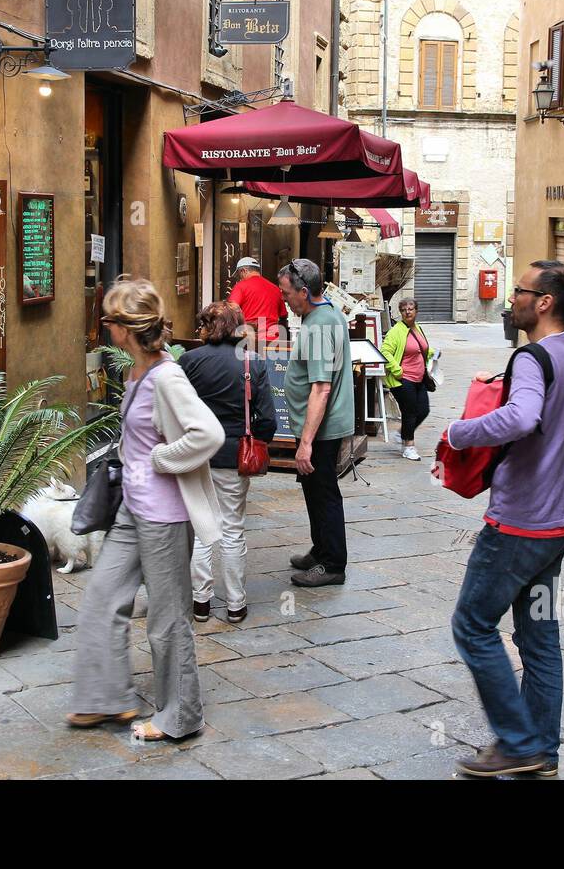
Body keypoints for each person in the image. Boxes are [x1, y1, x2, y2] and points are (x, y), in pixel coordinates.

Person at [446, 260, 564, 778]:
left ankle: (517, 742)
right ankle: (541, 756)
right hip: (561, 521)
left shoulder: (532, 357)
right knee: (539, 639)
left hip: (522, 522)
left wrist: (461, 432)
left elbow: (523, 417)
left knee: (472, 624)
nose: (512, 300)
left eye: (521, 292)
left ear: (544, 302)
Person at [67, 277, 224, 742]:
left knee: (167, 617)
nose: (104, 326)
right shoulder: (137, 369)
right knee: (101, 596)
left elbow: (208, 435)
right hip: (131, 510)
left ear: (125, 328)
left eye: (109, 319)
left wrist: (160, 458)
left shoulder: (167, 376)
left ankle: (181, 715)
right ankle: (105, 698)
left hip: (164, 516)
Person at [179, 301, 278, 624]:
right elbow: (267, 420)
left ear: (207, 326)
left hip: (197, 454)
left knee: (201, 529)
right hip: (235, 455)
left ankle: (201, 602)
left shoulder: (189, 361)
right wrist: (257, 441)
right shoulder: (253, 362)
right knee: (233, 530)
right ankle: (236, 604)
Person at [277, 258, 354, 588]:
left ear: (304, 292)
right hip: (320, 427)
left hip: (321, 430)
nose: (285, 300)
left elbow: (321, 388)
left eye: (287, 294)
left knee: (323, 493)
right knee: (315, 490)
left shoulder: (319, 325)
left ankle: (333, 564)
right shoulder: (325, 312)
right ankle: (321, 550)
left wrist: (306, 442)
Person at [381, 297, 436, 461]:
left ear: (416, 311)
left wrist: (432, 353)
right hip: (403, 379)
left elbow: (422, 347)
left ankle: (403, 433)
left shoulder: (417, 328)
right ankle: (408, 447)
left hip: (419, 379)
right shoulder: (396, 331)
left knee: (424, 410)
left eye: (411, 309)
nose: (407, 312)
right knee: (410, 412)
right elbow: (385, 352)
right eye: (404, 310)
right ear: (401, 312)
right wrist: (397, 370)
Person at [228, 256, 288, 345]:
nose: (240, 278)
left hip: (249, 341)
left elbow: (231, 310)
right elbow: (283, 316)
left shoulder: (240, 286)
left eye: (239, 275)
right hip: (273, 342)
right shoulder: (275, 289)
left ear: (243, 271)